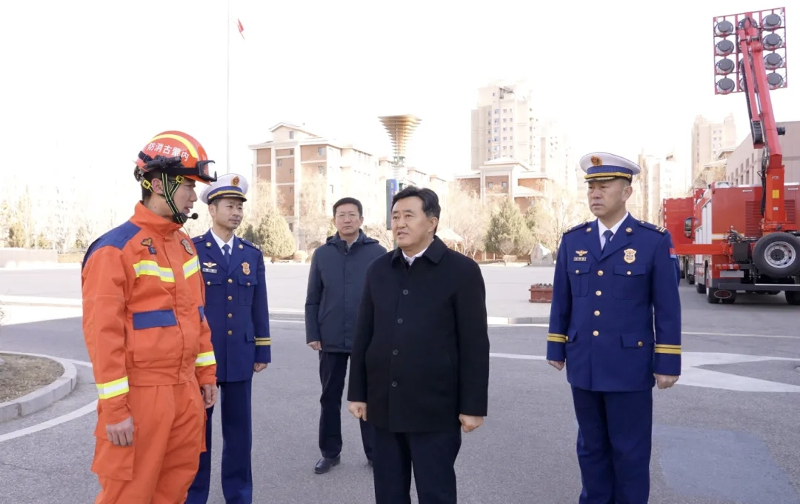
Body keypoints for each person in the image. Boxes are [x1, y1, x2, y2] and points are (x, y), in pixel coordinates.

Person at [81, 130, 219, 503]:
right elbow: (103, 338)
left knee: (174, 490)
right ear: (158, 184)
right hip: (142, 398)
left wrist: (206, 375)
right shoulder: (114, 250)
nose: (194, 196)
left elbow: (197, 318)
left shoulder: (184, 245)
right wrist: (116, 410)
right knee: (129, 494)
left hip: (185, 393)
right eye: (188, 185)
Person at [546, 152, 682, 504]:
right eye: (591, 187)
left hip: (628, 366)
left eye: (604, 187)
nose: (595, 193)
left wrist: (667, 361)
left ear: (627, 192)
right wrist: (556, 346)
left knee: (630, 451)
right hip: (585, 364)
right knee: (590, 448)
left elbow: (667, 307)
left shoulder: (652, 241)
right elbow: (562, 299)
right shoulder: (574, 240)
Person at [347, 186, 490, 504]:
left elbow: (475, 345)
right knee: (388, 493)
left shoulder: (461, 271)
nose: (399, 223)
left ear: (432, 222)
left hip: (435, 410)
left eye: (409, 216)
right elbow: (364, 335)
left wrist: (472, 406)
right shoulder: (379, 270)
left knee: (435, 492)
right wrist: (357, 392)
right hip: (384, 407)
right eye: (395, 216)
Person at [186, 173, 271, 503]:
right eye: (230, 206)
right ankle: (195, 496)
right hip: (202, 357)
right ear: (212, 209)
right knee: (198, 434)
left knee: (239, 435)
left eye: (239, 207)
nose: (236, 213)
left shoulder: (251, 254)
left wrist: (262, 349)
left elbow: (259, 304)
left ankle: (239, 495)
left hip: (239, 355)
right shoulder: (192, 250)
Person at [304, 197, 386, 474]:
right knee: (329, 397)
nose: (347, 219)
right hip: (331, 337)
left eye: (352, 215)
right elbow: (313, 298)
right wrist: (313, 332)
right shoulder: (322, 254)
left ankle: (375, 453)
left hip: (368, 338)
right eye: (341, 215)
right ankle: (329, 453)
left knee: (369, 397)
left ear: (361, 219)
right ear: (334, 220)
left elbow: (387, 299)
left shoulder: (378, 253)